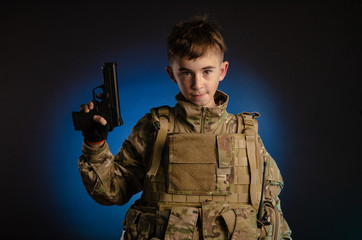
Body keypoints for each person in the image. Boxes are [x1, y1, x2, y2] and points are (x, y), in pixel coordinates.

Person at [78, 15, 292, 240]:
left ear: (222, 70)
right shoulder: (155, 128)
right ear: (172, 74)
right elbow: (113, 190)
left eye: (207, 71)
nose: (197, 84)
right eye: (187, 72)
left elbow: (270, 209)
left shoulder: (245, 134)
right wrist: (95, 144)